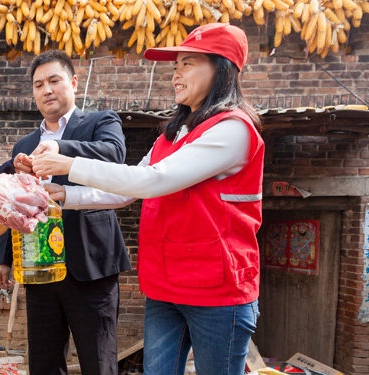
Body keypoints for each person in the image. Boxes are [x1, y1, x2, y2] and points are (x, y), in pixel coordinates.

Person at [32, 23, 263, 375]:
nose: (176, 75)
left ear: (222, 68)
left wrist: (68, 164)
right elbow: (127, 188)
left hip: (216, 290)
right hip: (166, 285)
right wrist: (66, 194)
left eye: (188, 64)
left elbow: (153, 181)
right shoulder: (172, 134)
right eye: (175, 67)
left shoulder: (233, 130)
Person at [0, 50, 131, 375]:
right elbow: (16, 201)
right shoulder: (24, 145)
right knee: (43, 363)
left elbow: (114, 155)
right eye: (39, 84)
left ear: (73, 83)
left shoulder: (101, 122)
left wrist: (60, 148)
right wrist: (4, 257)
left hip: (90, 267)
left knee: (98, 362)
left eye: (54, 80)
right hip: (40, 267)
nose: (47, 90)